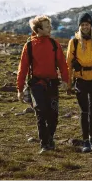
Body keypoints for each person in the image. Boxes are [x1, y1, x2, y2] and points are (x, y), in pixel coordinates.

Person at [17, 15, 69, 154]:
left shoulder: (54, 44)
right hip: (37, 85)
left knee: (53, 115)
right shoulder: (29, 46)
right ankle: (44, 144)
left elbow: (62, 64)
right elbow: (23, 69)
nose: (50, 28)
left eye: (49, 26)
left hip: (52, 84)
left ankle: (50, 138)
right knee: (41, 113)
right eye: (47, 26)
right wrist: (20, 89)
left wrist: (65, 80)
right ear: (39, 29)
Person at [66, 12, 92, 153]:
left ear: (91, 25)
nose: (85, 27)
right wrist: (69, 82)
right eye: (82, 24)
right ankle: (85, 140)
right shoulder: (74, 42)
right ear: (79, 26)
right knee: (84, 111)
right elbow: (68, 63)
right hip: (80, 79)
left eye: (87, 24)